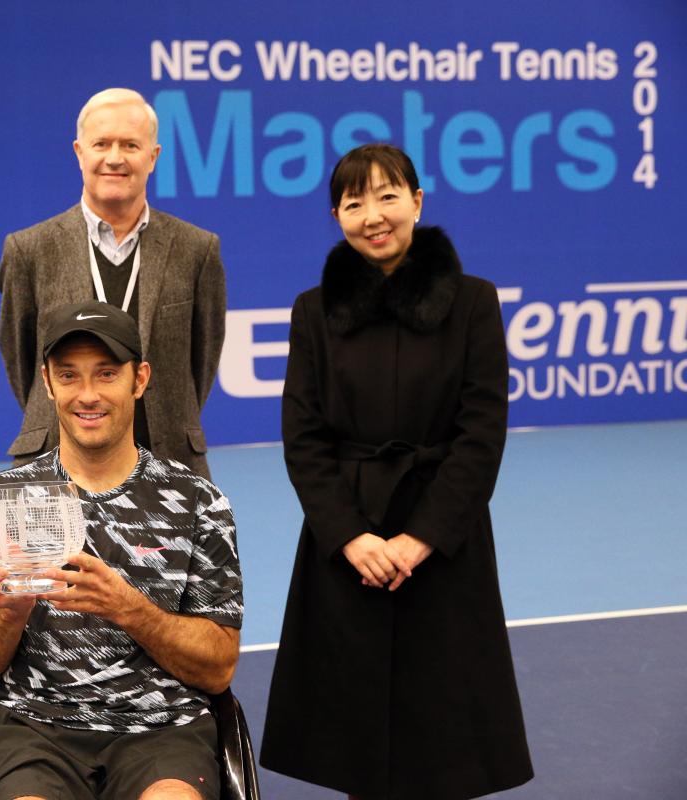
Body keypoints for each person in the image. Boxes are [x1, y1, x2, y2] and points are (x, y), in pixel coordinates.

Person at [259, 143, 533, 799]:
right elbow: (303, 437)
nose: (373, 215)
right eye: (355, 203)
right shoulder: (312, 311)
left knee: (444, 737)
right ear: (337, 215)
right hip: (349, 543)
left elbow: (481, 433)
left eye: (388, 195)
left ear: (417, 200)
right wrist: (350, 536)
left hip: (443, 544)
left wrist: (422, 537)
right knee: (356, 744)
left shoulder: (472, 302)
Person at [0, 301, 243, 800]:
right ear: (48, 382)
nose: (87, 395)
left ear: (140, 379)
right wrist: (11, 612)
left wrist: (129, 609)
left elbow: (218, 669)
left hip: (163, 730)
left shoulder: (199, 502)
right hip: (31, 727)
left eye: (106, 374)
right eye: (69, 376)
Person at [0, 87, 226, 479]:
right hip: (58, 460)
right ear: (79, 152)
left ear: (153, 157)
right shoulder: (29, 249)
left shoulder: (196, 249)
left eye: (130, 145)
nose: (115, 158)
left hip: (169, 460)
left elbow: (201, 362)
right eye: (101, 143)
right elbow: (24, 363)